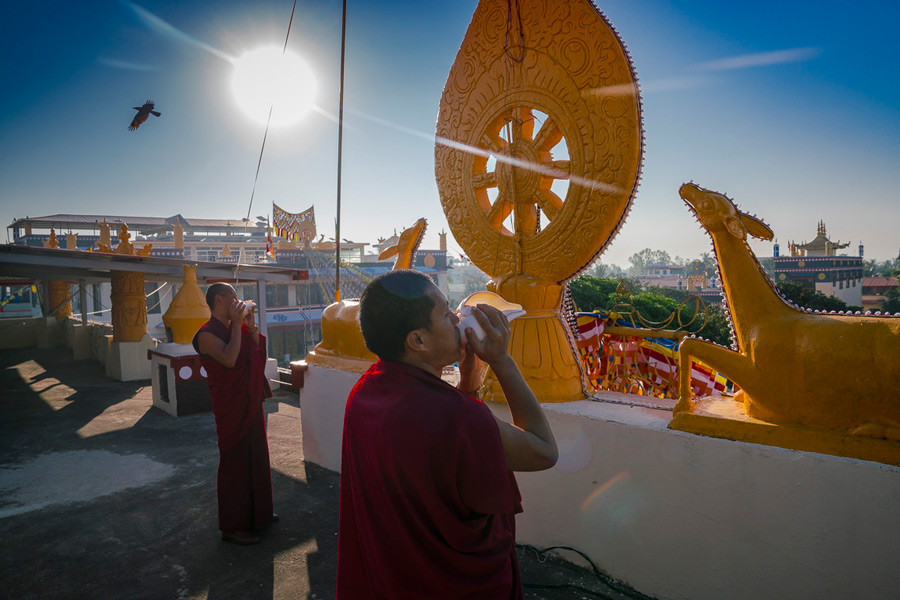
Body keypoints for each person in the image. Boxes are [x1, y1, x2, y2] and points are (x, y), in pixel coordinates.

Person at [337, 270, 558, 599]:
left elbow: (445, 446)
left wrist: (469, 376)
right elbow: (543, 450)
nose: (458, 318)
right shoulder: (460, 416)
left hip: (396, 575)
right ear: (419, 340)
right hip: (460, 584)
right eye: (445, 313)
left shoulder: (365, 391)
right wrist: (501, 360)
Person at [192, 283, 276, 545]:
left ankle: (259, 513)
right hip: (231, 406)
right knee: (236, 463)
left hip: (249, 399)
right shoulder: (206, 335)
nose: (238, 302)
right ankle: (233, 525)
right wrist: (238, 326)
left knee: (257, 456)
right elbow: (229, 359)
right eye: (234, 298)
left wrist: (249, 327)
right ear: (219, 300)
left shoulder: (235, 328)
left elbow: (256, 357)